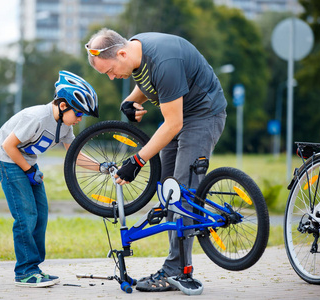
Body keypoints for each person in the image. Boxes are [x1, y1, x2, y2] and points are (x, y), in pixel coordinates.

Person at [85, 29, 227, 294]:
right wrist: (130, 100)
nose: (113, 77)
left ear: (122, 53)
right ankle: (176, 262)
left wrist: (137, 161)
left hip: (203, 115)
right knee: (168, 190)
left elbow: (174, 123)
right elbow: (150, 83)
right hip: (181, 115)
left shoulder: (164, 61)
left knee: (182, 195)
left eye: (111, 70)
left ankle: (177, 271)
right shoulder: (137, 53)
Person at [0, 70, 100, 287]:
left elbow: (75, 155)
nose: (80, 119)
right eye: (78, 114)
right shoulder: (38, 118)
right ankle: (24, 272)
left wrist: (102, 167)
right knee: (26, 215)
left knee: (41, 214)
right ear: (62, 106)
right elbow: (8, 146)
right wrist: (28, 170)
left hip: (28, 162)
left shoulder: (66, 125)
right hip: (8, 160)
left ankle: (35, 268)